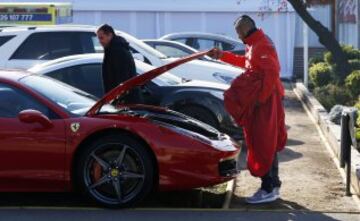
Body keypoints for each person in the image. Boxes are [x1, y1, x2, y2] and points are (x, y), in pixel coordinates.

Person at [208, 15, 287, 204]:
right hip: (264, 100)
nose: (237, 36)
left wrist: (259, 100)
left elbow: (271, 73)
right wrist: (222, 56)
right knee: (266, 142)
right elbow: (247, 62)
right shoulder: (254, 43)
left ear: (243, 29)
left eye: (238, 32)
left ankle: (268, 188)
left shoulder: (262, 44)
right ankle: (272, 185)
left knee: (263, 142)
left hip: (266, 102)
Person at [96, 24, 142, 103]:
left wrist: (117, 99)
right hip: (124, 98)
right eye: (99, 38)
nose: (100, 42)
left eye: (101, 38)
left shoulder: (117, 51)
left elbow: (122, 78)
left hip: (125, 101)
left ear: (110, 35)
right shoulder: (114, 48)